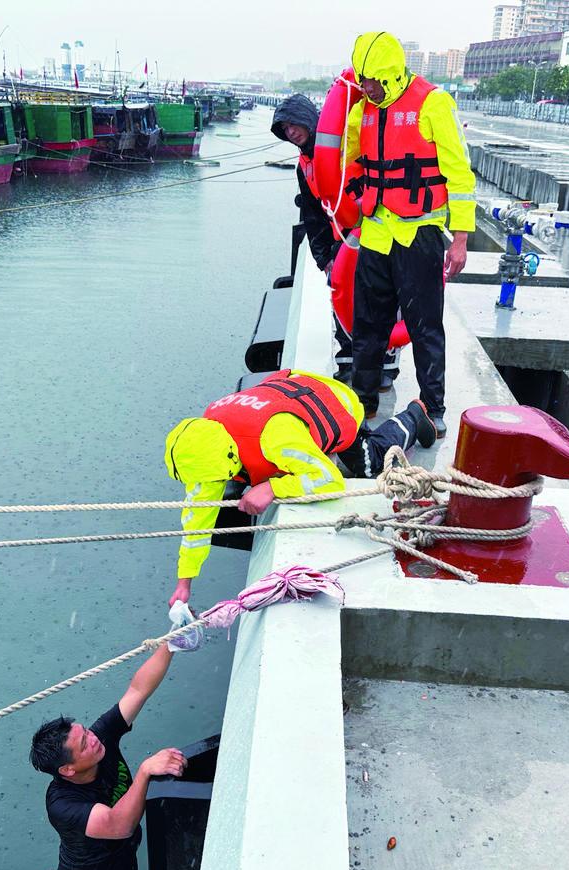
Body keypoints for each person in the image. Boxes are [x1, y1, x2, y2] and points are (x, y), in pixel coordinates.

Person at [165, 368, 437, 607]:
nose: (211, 486)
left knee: (368, 464)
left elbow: (329, 479)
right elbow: (197, 518)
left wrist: (272, 488)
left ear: (229, 459)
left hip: (333, 400)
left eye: (214, 481)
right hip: (290, 397)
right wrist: (184, 583)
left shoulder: (274, 437)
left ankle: (413, 417)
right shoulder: (206, 440)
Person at [29, 630, 198, 870]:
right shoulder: (62, 804)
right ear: (67, 769)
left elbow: (138, 689)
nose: (92, 738)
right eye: (83, 744)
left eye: (84, 732)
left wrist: (172, 643)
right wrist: (146, 771)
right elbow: (118, 825)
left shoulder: (99, 740)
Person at [345, 32, 477, 436]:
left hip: (419, 235)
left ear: (390, 74)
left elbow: (459, 172)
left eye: (372, 81)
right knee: (367, 326)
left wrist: (460, 236)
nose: (366, 88)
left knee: (425, 327)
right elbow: (345, 161)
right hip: (375, 234)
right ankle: (362, 403)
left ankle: (433, 408)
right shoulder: (360, 111)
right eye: (362, 81)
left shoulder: (434, 102)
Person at [270, 94, 354, 383]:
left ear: (308, 118)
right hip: (337, 242)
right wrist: (324, 258)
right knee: (341, 300)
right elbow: (312, 215)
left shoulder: (342, 147)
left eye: (293, 124)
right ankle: (350, 361)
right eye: (285, 129)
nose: (291, 132)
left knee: (373, 302)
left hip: (363, 233)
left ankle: (377, 366)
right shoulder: (303, 165)